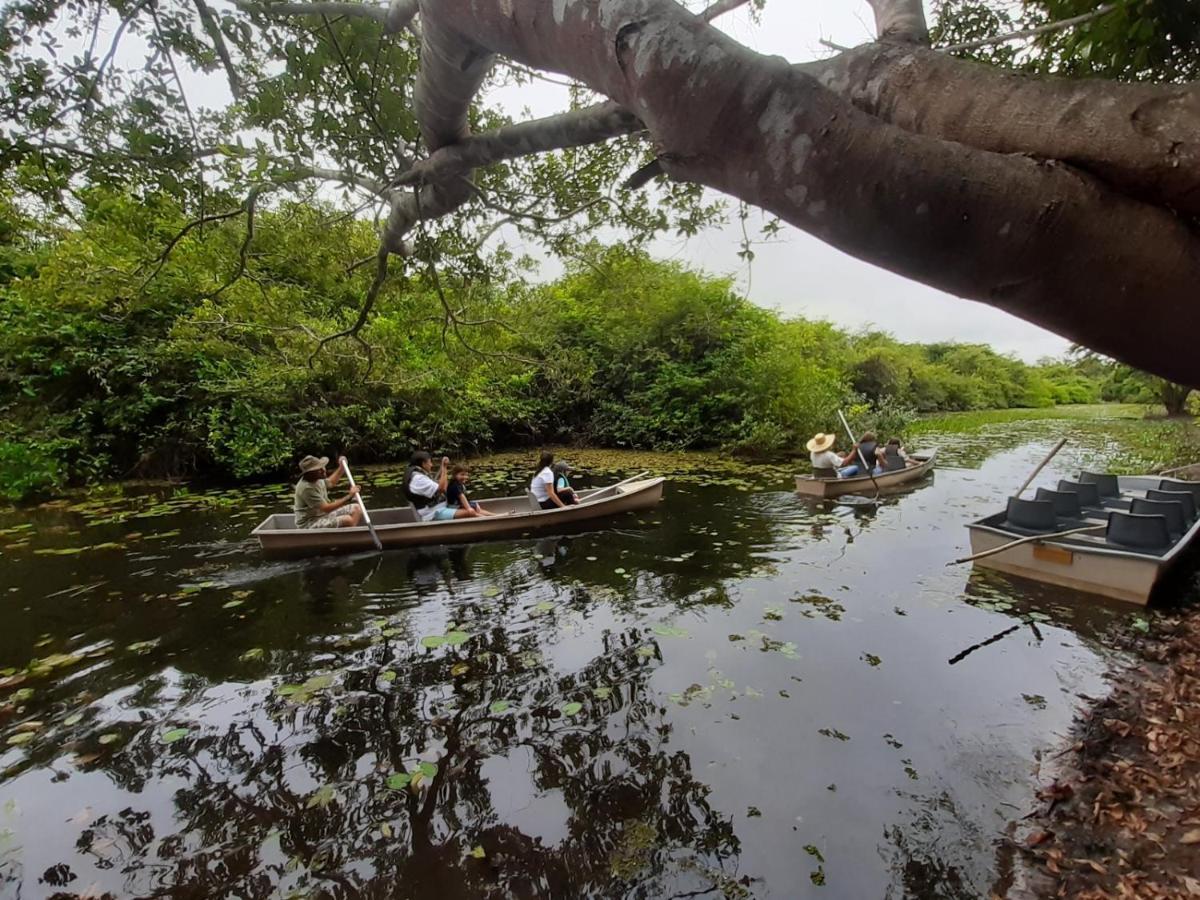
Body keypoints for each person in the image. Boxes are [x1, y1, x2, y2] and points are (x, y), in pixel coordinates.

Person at [293, 454, 364, 528]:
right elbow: (326, 508)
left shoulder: (317, 478)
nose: (323, 470)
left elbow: (330, 483)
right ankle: (350, 536)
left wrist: (342, 467)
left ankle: (348, 536)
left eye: (322, 466)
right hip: (310, 523)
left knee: (357, 508)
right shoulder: (307, 488)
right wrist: (349, 496)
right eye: (318, 469)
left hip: (323, 515)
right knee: (347, 520)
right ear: (309, 473)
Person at [403, 451, 459, 521]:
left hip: (438, 508)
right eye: (430, 462)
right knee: (469, 513)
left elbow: (444, 488)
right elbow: (441, 489)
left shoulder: (419, 474)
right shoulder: (418, 479)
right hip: (433, 513)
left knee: (471, 507)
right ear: (423, 464)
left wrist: (443, 468)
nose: (431, 465)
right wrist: (444, 468)